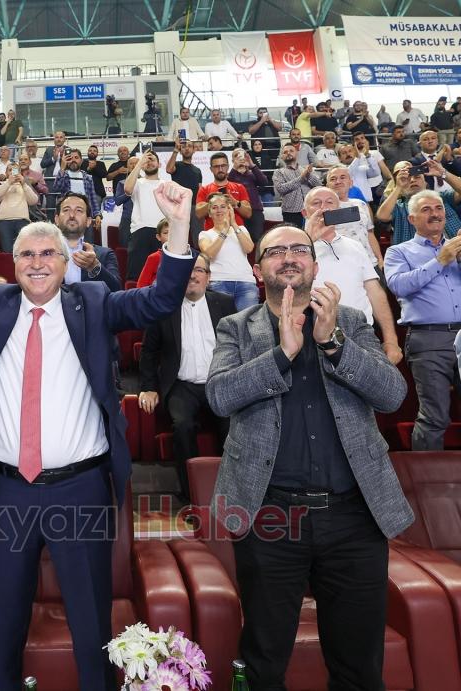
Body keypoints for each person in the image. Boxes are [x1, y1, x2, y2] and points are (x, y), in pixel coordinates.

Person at [0, 176, 195, 691]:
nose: (38, 262)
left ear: (65, 263)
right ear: (12, 262)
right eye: (27, 254)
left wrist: (179, 226)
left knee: (92, 630)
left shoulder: (93, 303)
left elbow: (159, 301)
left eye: (49, 253)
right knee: (2, 628)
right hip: (7, 492)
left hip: (81, 489)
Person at [207, 223, 413, 691]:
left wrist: (331, 343)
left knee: (359, 663)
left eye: (299, 249)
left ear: (316, 264)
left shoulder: (353, 323)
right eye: (275, 252)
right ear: (260, 270)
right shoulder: (236, 327)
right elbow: (219, 397)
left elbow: (392, 394)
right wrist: (282, 353)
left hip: (354, 518)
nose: (289, 258)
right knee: (264, 660)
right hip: (270, 517)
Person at [139, 255, 235, 500]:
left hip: (219, 382)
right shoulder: (164, 308)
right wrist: (149, 387)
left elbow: (238, 345)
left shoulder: (224, 304)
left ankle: (232, 495)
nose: (193, 275)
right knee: (182, 427)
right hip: (182, 385)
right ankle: (193, 495)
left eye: (200, 270)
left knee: (233, 427)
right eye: (188, 272)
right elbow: (149, 351)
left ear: (208, 277)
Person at [385, 189, 461, 450]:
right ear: (411, 219)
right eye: (426, 210)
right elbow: (399, 286)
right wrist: (441, 259)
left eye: (439, 208)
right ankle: (427, 486)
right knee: (434, 415)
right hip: (429, 338)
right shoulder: (398, 252)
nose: (435, 214)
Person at [303, 187, 402, 365]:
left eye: (330, 202)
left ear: (339, 209)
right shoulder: (295, 248)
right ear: (305, 212)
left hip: (362, 333)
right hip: (315, 335)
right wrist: (308, 240)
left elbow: (375, 293)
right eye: (316, 203)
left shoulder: (355, 246)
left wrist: (391, 340)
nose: (324, 208)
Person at [377, 159, 461, 245]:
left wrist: (443, 173)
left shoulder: (442, 197)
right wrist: (399, 187)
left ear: (425, 184)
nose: (412, 180)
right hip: (414, 256)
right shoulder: (399, 206)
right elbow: (382, 216)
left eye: (417, 177)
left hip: (455, 251)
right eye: (407, 179)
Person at [198, 193, 258, 310]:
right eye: (214, 207)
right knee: (223, 325)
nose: (219, 210)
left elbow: (249, 248)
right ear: (209, 213)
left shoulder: (242, 229)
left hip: (245, 282)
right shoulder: (205, 234)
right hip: (219, 282)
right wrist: (224, 230)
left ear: (229, 209)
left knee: (247, 324)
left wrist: (234, 224)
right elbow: (210, 254)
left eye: (223, 206)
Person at [56, 191, 121, 292]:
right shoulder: (42, 253)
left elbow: (116, 290)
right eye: (66, 210)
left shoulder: (105, 254)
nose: (72, 215)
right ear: (56, 219)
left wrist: (94, 267)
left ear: (89, 221)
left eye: (79, 210)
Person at [325, 165, 384, 271]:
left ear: (351, 183)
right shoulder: (322, 210)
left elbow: (370, 233)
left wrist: (379, 259)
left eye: (342, 177)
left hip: (370, 262)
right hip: (341, 266)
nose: (338, 181)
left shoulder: (361, 204)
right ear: (327, 185)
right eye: (333, 179)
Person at [124, 149, 165, 280]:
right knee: (136, 276)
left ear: (159, 164)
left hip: (161, 233)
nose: (149, 162)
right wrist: (139, 164)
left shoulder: (166, 184)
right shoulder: (137, 182)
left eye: (152, 159)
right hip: (139, 232)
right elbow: (127, 189)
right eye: (146, 160)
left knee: (160, 276)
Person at [51, 149, 102, 237]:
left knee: (87, 243)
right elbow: (56, 188)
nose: (73, 160)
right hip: (67, 217)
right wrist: (62, 168)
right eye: (70, 158)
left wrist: (97, 215)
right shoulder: (64, 175)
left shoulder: (88, 177)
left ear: (81, 161)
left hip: (85, 215)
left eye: (76, 157)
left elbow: (93, 198)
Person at [195, 152, 252, 231]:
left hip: (236, 233)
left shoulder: (239, 187)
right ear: (211, 169)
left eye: (223, 165)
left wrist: (235, 203)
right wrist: (212, 202)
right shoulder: (204, 189)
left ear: (228, 167)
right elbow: (198, 214)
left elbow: (248, 214)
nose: (220, 169)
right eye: (216, 166)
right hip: (213, 234)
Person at [0, 161, 40, 253]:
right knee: (7, 251)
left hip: (22, 220)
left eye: (15, 171)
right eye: (10, 170)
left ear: (20, 173)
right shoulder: (2, 185)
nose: (12, 172)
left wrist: (24, 184)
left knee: (23, 251)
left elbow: (33, 201)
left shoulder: (24, 185)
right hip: (4, 222)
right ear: (6, 173)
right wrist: (8, 183)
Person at [273, 144, 321, 228]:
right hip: (291, 212)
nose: (288, 153)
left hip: (310, 210)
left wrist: (308, 175)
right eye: (285, 152)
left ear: (297, 153)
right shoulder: (279, 172)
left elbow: (318, 185)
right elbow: (281, 188)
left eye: (291, 151)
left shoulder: (306, 169)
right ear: (282, 156)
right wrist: (301, 177)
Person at [228, 147, 269, 242]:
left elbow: (264, 182)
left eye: (242, 155)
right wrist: (234, 167)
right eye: (236, 156)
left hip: (255, 211)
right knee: (239, 239)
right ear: (232, 160)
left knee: (257, 239)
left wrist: (252, 165)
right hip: (237, 211)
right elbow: (228, 183)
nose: (240, 158)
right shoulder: (231, 175)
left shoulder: (252, 174)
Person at [165, 138, 203, 239]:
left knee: (197, 236)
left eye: (189, 146)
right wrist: (175, 150)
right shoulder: (176, 165)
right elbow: (168, 169)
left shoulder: (197, 170)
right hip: (179, 205)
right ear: (181, 150)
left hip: (194, 206)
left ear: (194, 150)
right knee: (179, 236)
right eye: (184, 146)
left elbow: (200, 189)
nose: (187, 149)